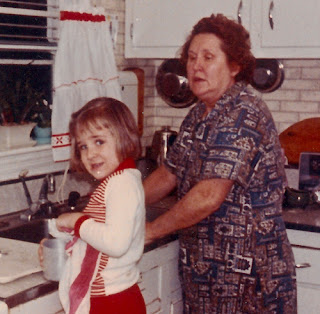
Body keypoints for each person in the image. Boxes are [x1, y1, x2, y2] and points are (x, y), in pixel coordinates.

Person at [144, 14, 297, 313]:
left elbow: (208, 196)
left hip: (249, 277)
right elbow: (168, 173)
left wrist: (151, 230)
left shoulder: (243, 113)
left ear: (234, 66)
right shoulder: (198, 114)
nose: (195, 65)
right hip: (207, 274)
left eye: (208, 57)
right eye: (191, 57)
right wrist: (121, 204)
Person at [39, 97, 146, 314]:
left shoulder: (121, 184)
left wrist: (78, 220)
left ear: (124, 137)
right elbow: (98, 234)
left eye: (99, 142)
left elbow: (114, 243)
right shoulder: (118, 180)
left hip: (113, 303)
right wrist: (58, 236)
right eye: (83, 146)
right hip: (114, 297)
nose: (90, 154)